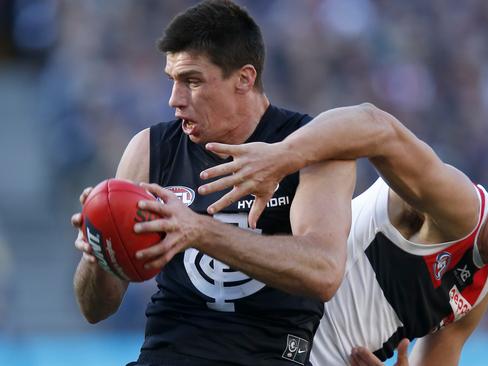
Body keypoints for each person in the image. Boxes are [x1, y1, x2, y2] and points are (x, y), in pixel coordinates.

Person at [197, 103, 488, 366]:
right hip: (251, 346)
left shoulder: (481, 288)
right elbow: (376, 125)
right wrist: (283, 156)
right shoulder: (460, 209)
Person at [70, 1, 355, 365]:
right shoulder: (150, 149)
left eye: (192, 81)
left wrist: (198, 230)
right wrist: (100, 252)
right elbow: (95, 310)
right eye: (172, 81)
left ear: (244, 79)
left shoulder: (311, 145)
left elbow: (324, 272)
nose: (174, 100)